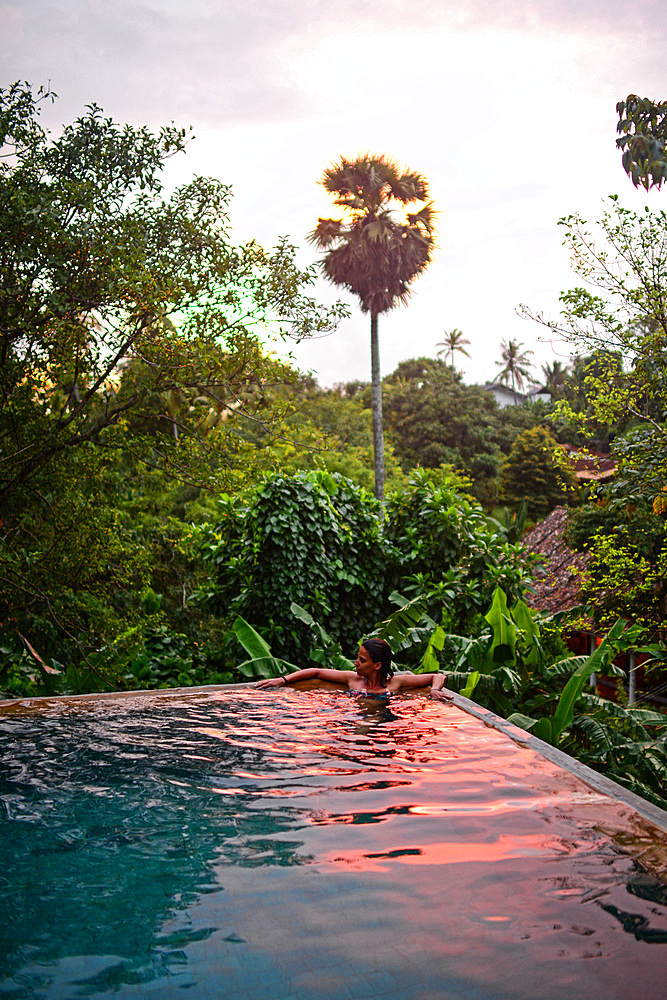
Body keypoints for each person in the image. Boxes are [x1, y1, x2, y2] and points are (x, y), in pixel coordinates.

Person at [254, 637, 453, 700]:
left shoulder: (396, 682)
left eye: (362, 660)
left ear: (377, 665)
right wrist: (284, 680)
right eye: (358, 658)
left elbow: (438, 676)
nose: (356, 663)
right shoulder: (353, 680)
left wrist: (434, 690)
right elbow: (315, 671)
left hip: (386, 723)